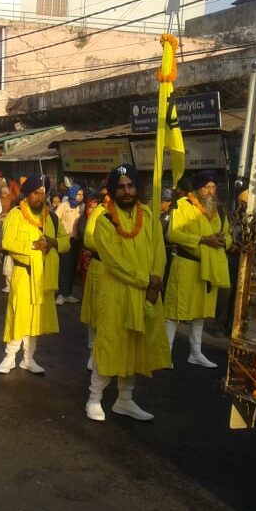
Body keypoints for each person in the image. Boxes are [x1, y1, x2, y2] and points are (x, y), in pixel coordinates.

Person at [86, 164, 171, 422]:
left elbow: (160, 251)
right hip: (117, 294)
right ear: (113, 191)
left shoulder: (148, 215)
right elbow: (113, 262)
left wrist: (156, 278)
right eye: (121, 187)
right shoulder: (104, 221)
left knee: (135, 346)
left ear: (137, 188)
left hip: (146, 294)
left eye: (131, 185)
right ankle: (94, 398)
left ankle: (124, 400)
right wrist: (147, 280)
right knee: (111, 344)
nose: (127, 191)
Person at [0, 173, 69, 374]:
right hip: (23, 273)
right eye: (35, 193)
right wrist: (32, 245)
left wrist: (53, 242)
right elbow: (7, 242)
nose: (39, 197)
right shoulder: (16, 214)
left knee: (36, 319)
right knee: (18, 315)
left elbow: (65, 242)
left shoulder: (51, 217)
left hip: (43, 277)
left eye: (42, 193)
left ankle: (28, 358)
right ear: (27, 195)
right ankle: (10, 356)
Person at [163, 170, 231, 368]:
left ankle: (195, 353)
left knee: (200, 313)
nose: (210, 191)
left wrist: (224, 240)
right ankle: (165, 353)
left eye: (213, 187)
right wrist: (203, 239)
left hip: (209, 268)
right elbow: (173, 234)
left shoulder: (219, 210)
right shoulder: (183, 205)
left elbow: (228, 235)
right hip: (186, 266)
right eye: (206, 187)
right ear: (197, 189)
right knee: (175, 311)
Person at [79, 195, 105, 371]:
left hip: (122, 272)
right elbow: (88, 239)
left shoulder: (135, 212)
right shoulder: (100, 212)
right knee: (95, 312)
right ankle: (93, 352)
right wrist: (110, 246)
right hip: (100, 267)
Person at [55, 184, 84, 305]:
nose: (81, 196)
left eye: (82, 194)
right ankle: (61, 293)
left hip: (76, 241)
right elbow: (55, 219)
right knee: (64, 267)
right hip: (65, 240)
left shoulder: (82, 207)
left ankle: (68, 293)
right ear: (72, 194)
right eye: (78, 194)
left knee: (72, 267)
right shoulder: (64, 205)